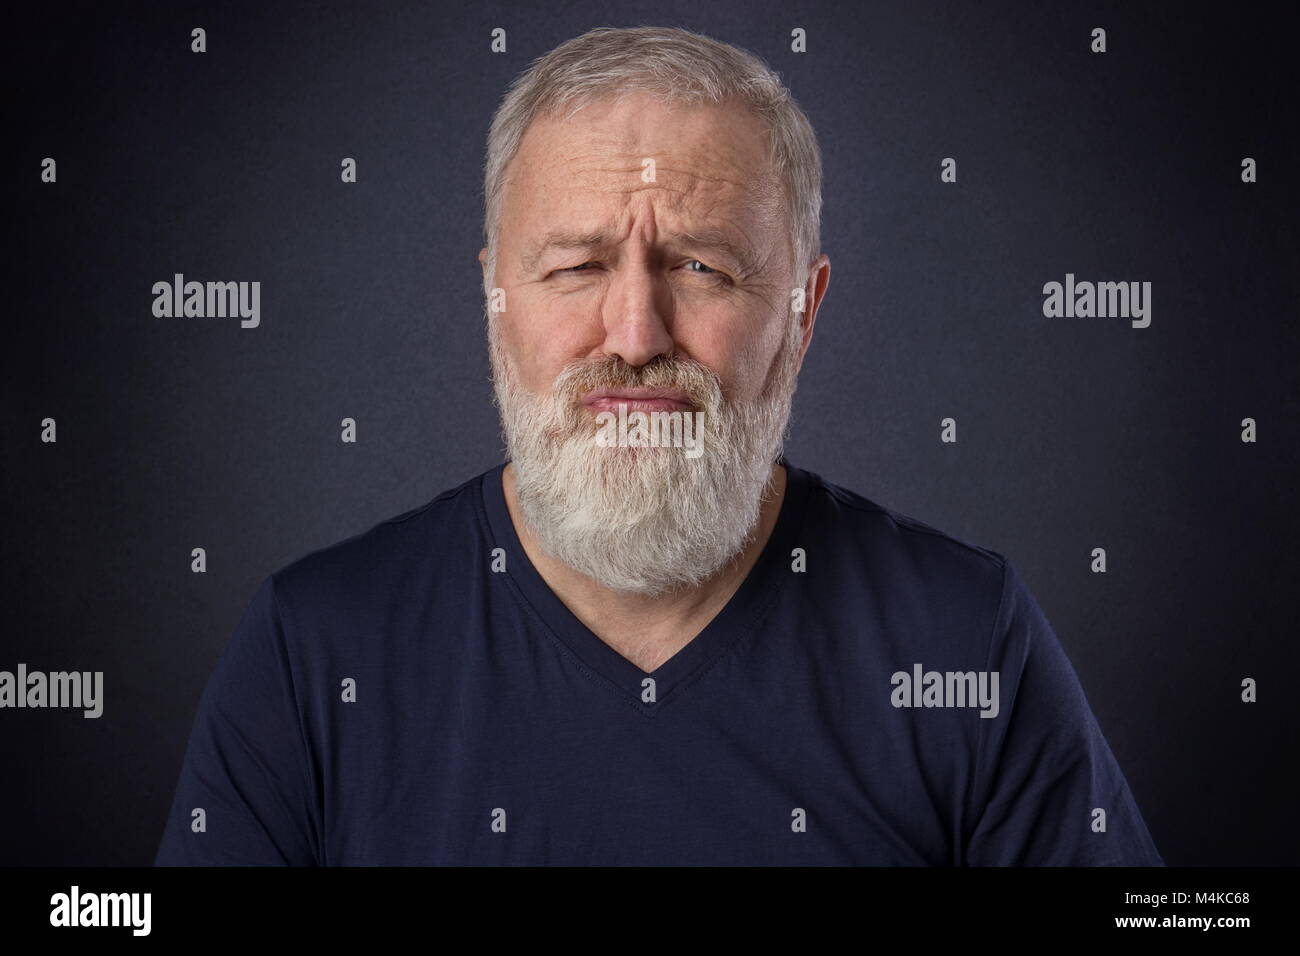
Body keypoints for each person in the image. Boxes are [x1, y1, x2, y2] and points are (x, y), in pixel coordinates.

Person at [155, 25, 1163, 866]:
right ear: (494, 296)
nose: (634, 334)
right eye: (577, 265)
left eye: (701, 265)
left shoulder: (964, 638)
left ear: (801, 313)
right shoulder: (314, 646)